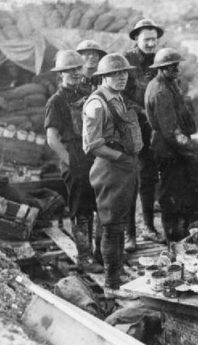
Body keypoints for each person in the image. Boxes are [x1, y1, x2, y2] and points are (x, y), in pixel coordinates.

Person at [82, 53, 143, 291]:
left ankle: (114, 273)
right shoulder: (97, 103)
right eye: (115, 74)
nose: (121, 78)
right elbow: (92, 145)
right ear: (103, 77)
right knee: (112, 227)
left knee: (116, 223)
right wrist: (121, 158)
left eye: (124, 73)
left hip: (123, 168)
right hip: (110, 169)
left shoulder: (117, 97)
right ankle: (112, 284)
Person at [145, 48, 198, 241]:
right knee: (171, 195)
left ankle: (181, 233)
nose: (177, 70)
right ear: (161, 68)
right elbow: (172, 132)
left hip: (176, 149)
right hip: (168, 150)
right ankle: (173, 238)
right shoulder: (160, 92)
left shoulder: (170, 84)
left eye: (177, 66)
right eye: (172, 67)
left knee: (181, 193)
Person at [45, 50, 102, 274]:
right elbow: (52, 139)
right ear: (61, 74)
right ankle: (85, 257)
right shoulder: (56, 101)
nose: (75, 74)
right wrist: (71, 162)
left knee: (100, 206)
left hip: (94, 156)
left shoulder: (88, 93)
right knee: (81, 210)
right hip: (75, 157)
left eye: (78, 69)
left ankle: (100, 254)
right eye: (69, 71)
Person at [123, 18, 166, 249]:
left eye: (154, 40)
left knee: (149, 178)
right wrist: (142, 111)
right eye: (146, 39)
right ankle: (130, 234)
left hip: (152, 129)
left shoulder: (158, 62)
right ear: (136, 39)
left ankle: (149, 227)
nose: (150, 43)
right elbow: (119, 96)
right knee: (131, 180)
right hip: (130, 128)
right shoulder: (126, 62)